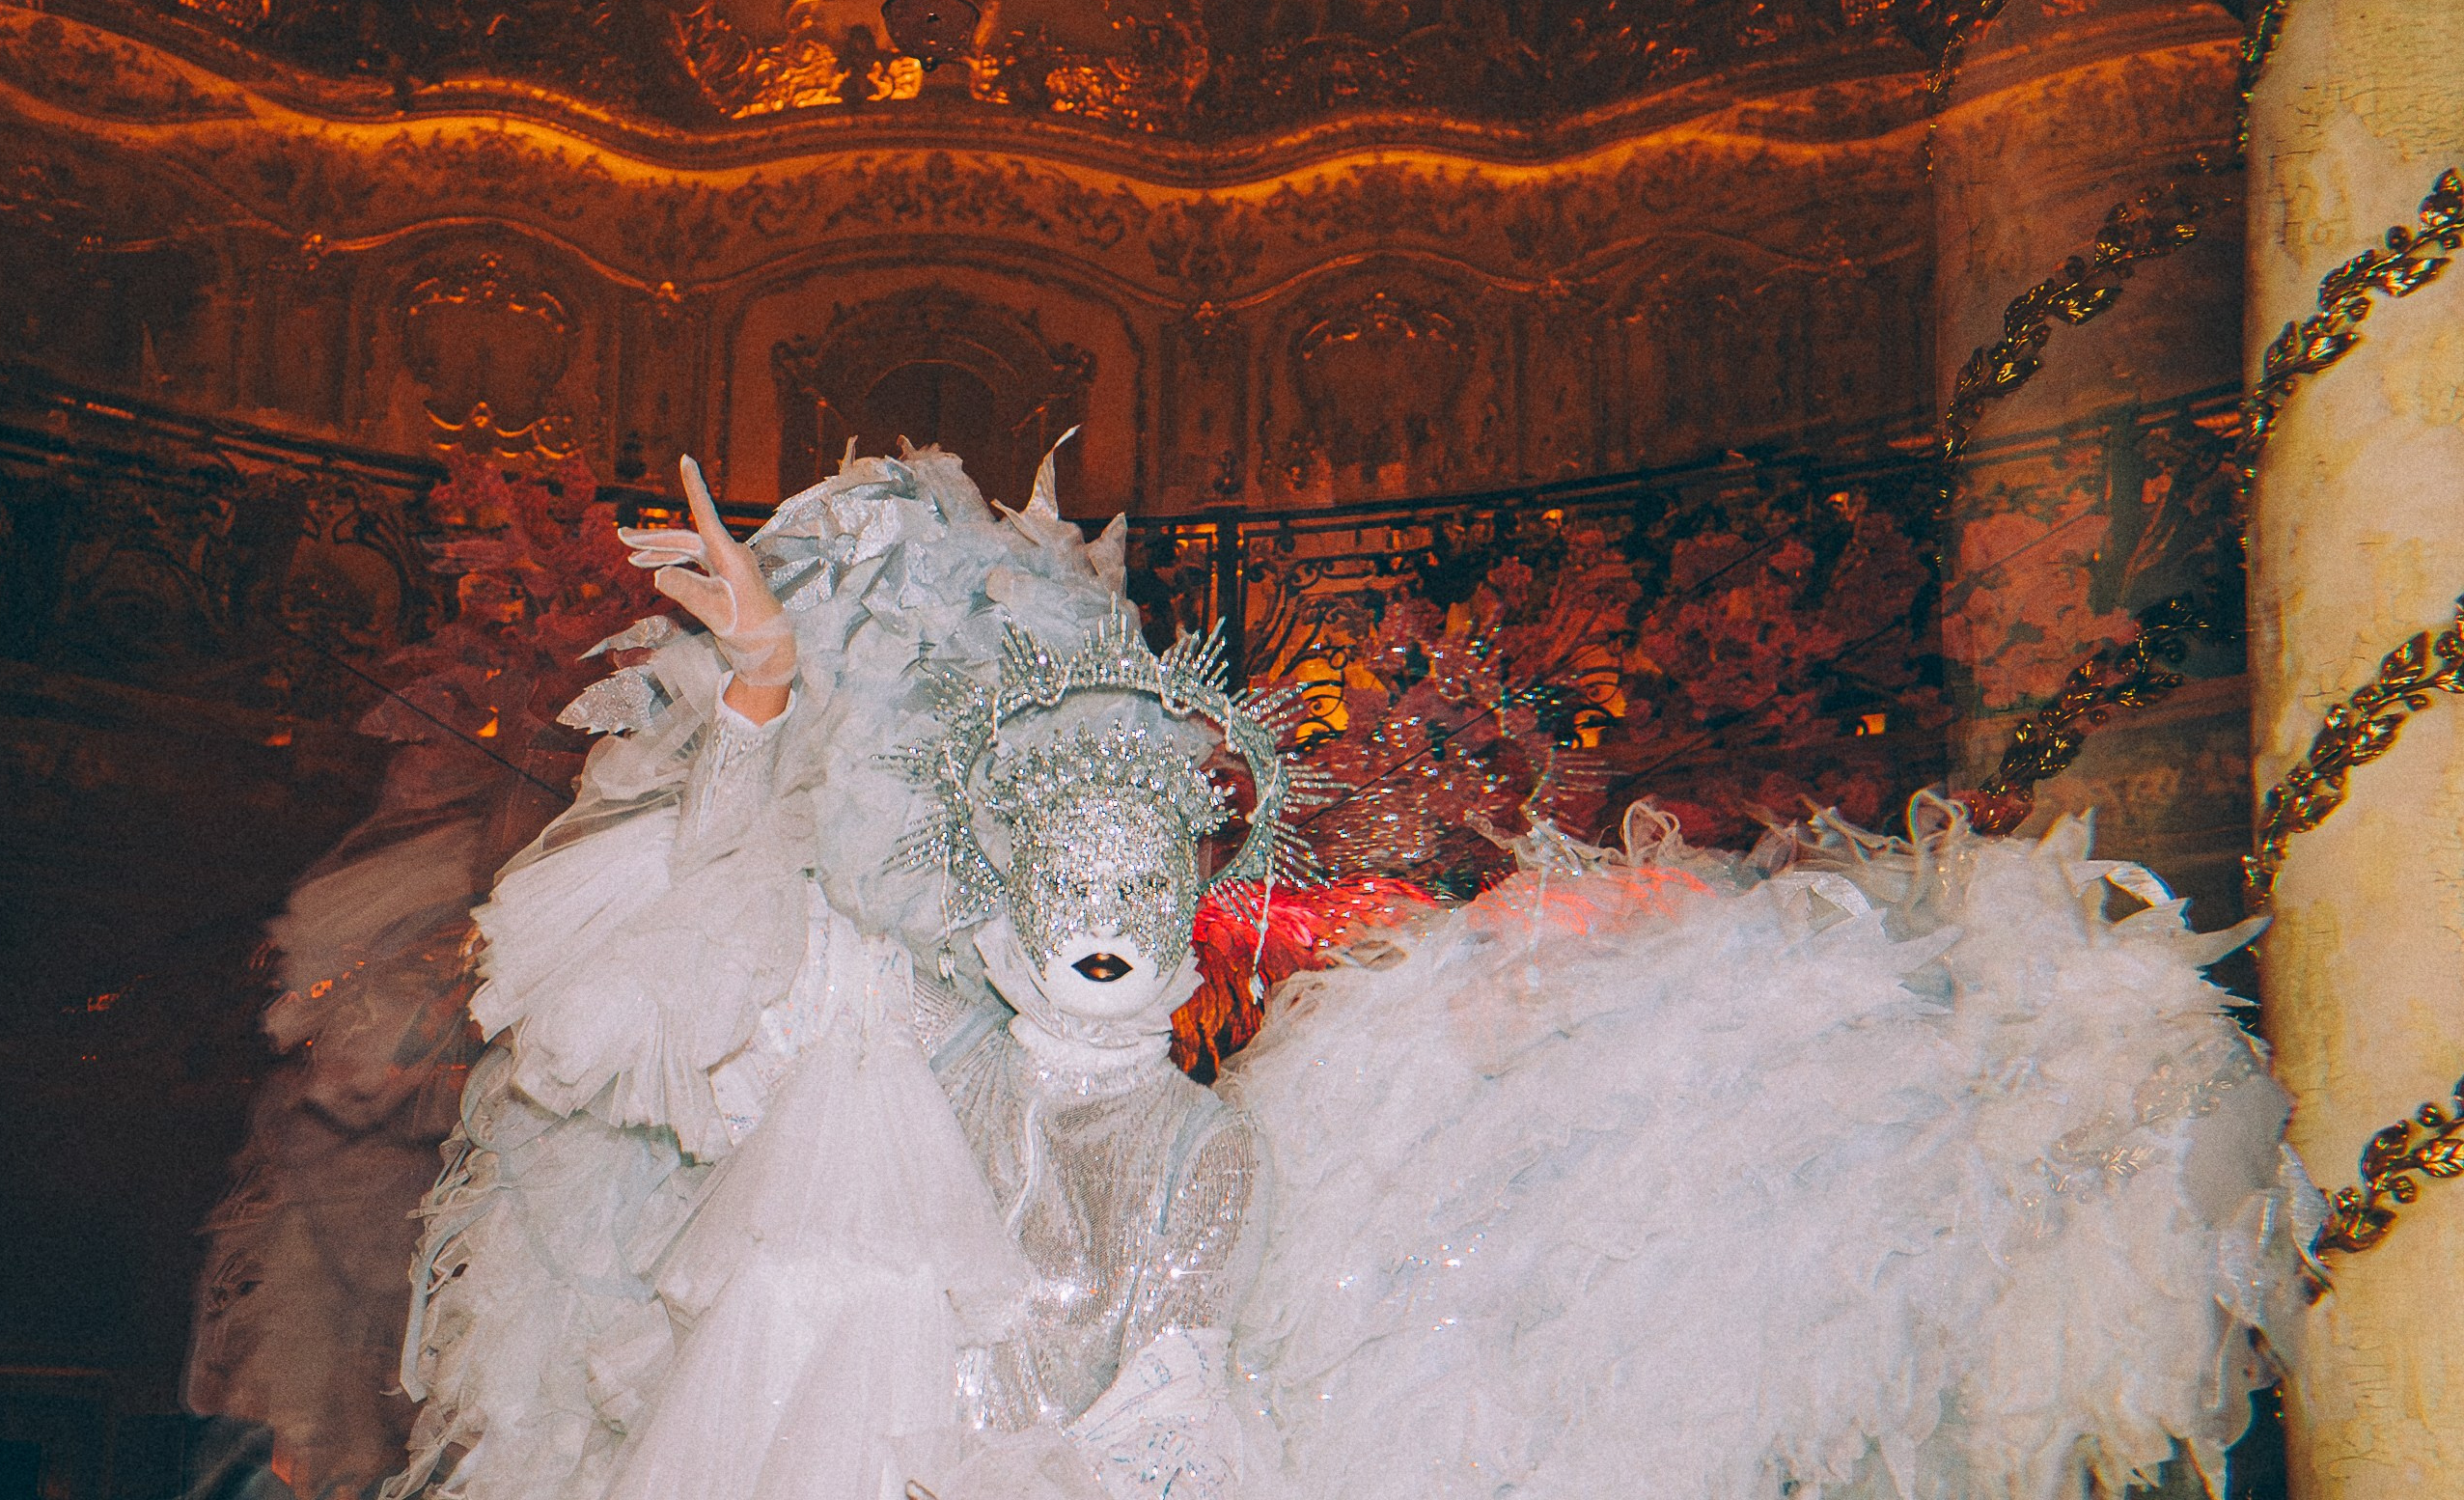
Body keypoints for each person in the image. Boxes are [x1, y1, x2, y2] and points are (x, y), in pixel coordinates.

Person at [388, 446, 2315, 1500]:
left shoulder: (1111, 981)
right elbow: (724, 891)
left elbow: (1244, 990)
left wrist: (1520, 941)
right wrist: (756, 684)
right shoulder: (813, 989)